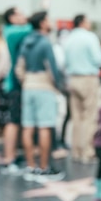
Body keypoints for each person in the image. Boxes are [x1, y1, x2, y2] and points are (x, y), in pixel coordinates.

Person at [15, 11, 64, 182]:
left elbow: (19, 67)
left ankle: (30, 166)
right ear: (42, 23)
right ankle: (44, 167)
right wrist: (56, 85)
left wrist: (26, 81)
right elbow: (52, 68)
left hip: (28, 85)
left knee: (28, 126)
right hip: (44, 86)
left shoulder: (26, 42)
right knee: (44, 127)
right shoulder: (45, 43)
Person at [63, 14, 101, 163]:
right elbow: (98, 58)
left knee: (76, 117)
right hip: (88, 78)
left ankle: (76, 151)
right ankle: (87, 151)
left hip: (73, 78)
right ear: (81, 22)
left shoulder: (68, 39)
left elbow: (64, 61)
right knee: (90, 116)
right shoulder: (90, 37)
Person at [0, 7, 31, 175]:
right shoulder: (12, 32)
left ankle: (12, 156)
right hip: (14, 83)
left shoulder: (12, 32)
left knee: (16, 120)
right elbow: (32, 26)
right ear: (11, 18)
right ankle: (8, 159)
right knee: (13, 120)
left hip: (15, 83)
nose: (24, 15)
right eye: (20, 13)